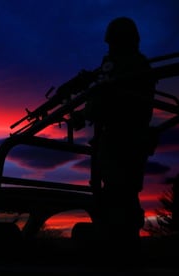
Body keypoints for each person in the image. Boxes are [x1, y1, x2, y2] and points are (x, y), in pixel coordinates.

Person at [83, 17, 157, 259]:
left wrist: (92, 106)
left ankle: (121, 252)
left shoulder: (131, 67)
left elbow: (115, 103)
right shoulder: (130, 66)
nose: (110, 48)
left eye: (114, 43)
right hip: (121, 140)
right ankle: (120, 249)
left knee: (120, 197)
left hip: (123, 141)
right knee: (117, 196)